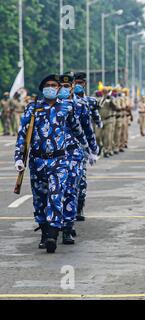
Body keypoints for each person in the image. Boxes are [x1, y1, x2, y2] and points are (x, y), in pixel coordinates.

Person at [14, 74, 86, 253]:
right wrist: (18, 157)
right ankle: (44, 232)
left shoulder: (67, 107)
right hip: (37, 160)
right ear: (42, 88)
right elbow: (23, 134)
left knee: (56, 194)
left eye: (55, 85)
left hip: (59, 159)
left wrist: (86, 148)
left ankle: (52, 235)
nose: (52, 88)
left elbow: (76, 129)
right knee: (40, 198)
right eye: (48, 85)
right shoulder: (33, 108)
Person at [58, 74, 99, 244]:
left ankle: (73, 216)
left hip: (76, 150)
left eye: (69, 86)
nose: (66, 88)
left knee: (76, 184)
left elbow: (87, 127)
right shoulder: (47, 106)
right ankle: (53, 226)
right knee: (55, 189)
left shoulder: (82, 103)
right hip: (55, 153)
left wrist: (92, 149)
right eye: (63, 85)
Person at [72, 72, 98, 221]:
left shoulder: (87, 102)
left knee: (80, 180)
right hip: (60, 149)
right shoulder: (58, 105)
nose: (77, 85)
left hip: (80, 146)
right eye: (75, 83)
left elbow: (88, 127)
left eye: (80, 82)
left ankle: (79, 208)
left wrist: (92, 148)